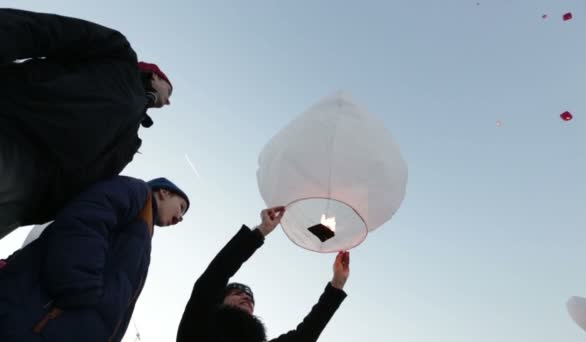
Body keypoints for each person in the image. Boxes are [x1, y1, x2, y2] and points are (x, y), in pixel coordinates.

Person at [0, 8, 174, 239]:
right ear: (155, 76)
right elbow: (44, 30)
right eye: (169, 90)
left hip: (24, 202)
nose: (169, 101)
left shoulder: (130, 142)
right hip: (13, 132)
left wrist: (34, 212)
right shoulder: (118, 54)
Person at [0, 176, 189, 342]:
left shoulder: (144, 231)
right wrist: (81, 291)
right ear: (164, 192)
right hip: (35, 321)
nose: (180, 218)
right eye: (181, 207)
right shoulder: (137, 192)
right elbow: (85, 221)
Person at [177, 206, 350, 342]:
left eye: (250, 298)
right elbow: (215, 276)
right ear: (218, 302)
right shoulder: (199, 327)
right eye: (237, 293)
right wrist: (260, 231)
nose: (247, 298)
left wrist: (336, 285)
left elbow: (305, 335)